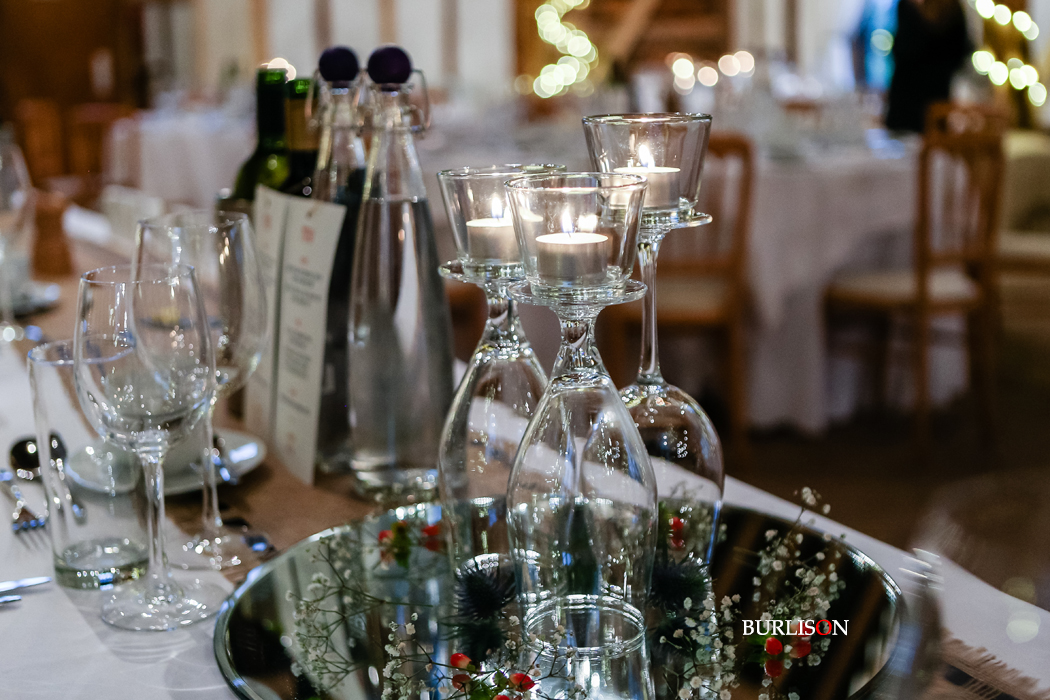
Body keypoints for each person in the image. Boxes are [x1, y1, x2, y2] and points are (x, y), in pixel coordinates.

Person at [885, 0, 973, 132]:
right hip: (937, 96)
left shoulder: (908, 7)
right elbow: (962, 53)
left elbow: (901, 51)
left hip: (908, 100)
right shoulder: (953, 8)